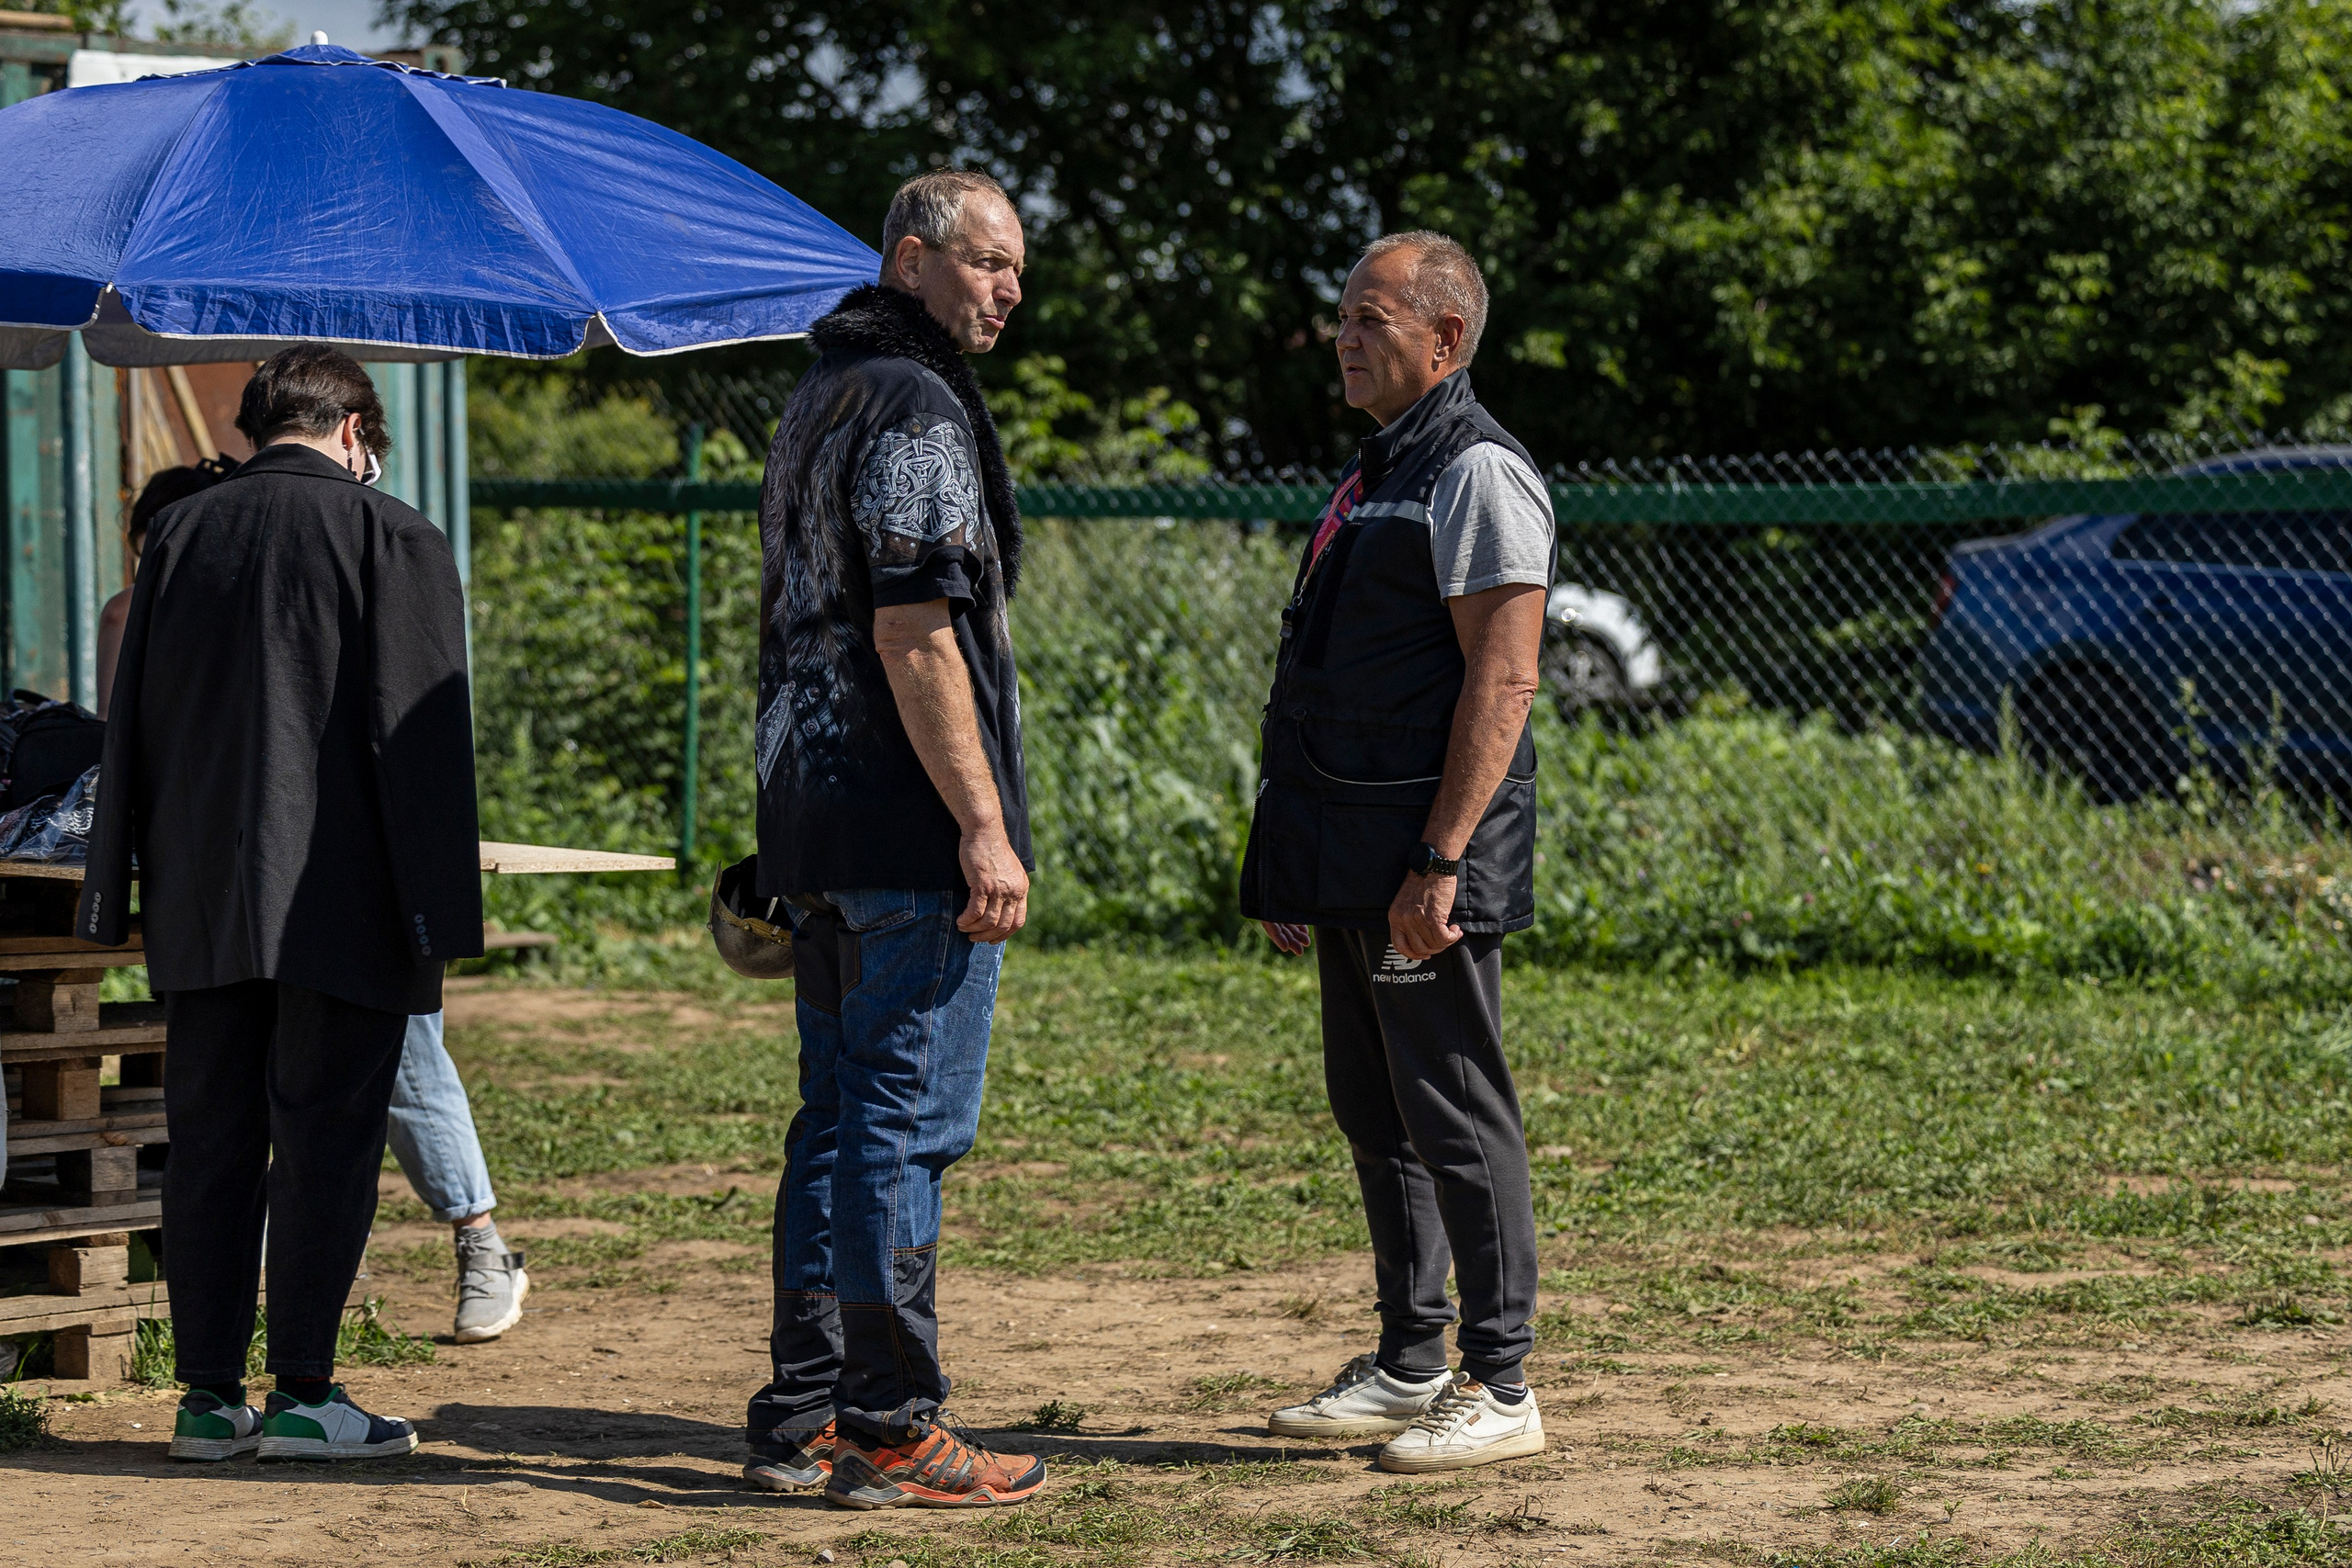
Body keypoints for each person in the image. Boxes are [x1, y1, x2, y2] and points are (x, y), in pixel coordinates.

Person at [77, 344, 483, 1463]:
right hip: (344, 902)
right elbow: (423, 742)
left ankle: (208, 1401)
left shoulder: (180, 536)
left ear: (257, 427)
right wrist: (440, 917)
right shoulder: (393, 535)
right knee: (327, 1142)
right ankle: (305, 1391)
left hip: (202, 892)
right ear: (353, 431)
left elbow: (131, 726)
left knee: (209, 1142)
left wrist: (115, 887)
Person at [740, 169, 1045, 1510]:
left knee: (836, 1119)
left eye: (1017, 269)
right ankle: (890, 1422)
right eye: (987, 262)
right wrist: (983, 822)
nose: (1008, 290)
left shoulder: (821, 394)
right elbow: (917, 630)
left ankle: (803, 1411)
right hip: (904, 824)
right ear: (911, 261)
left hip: (812, 816)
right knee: (902, 1127)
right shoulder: (916, 404)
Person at [1236, 232, 1555, 1473]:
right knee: (1376, 1109)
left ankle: (1502, 1380)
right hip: (1354, 855)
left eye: (1371, 318)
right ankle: (1412, 1359)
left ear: (1446, 339)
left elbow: (1505, 677)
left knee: (1455, 1109)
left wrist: (1441, 857)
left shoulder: (1476, 470)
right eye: (1342, 318)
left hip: (1424, 863)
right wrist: (1301, 864)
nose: (1344, 339)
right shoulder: (1381, 466)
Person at [101, 457, 528, 1346]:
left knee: (348, 1084)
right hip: (269, 889)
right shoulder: (374, 538)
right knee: (292, 1127)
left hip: (273, 889)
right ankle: (289, 1369)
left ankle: (470, 1242)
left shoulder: (335, 548)